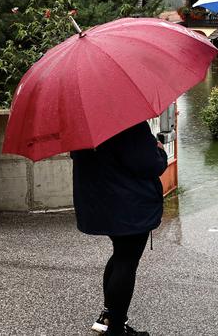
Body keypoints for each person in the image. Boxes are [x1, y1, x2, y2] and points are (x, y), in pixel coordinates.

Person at [71, 121, 168, 336]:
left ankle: (109, 316)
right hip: (129, 203)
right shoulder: (127, 121)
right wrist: (160, 152)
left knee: (120, 255)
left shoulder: (83, 122)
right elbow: (149, 164)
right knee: (126, 261)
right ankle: (115, 330)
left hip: (99, 200)